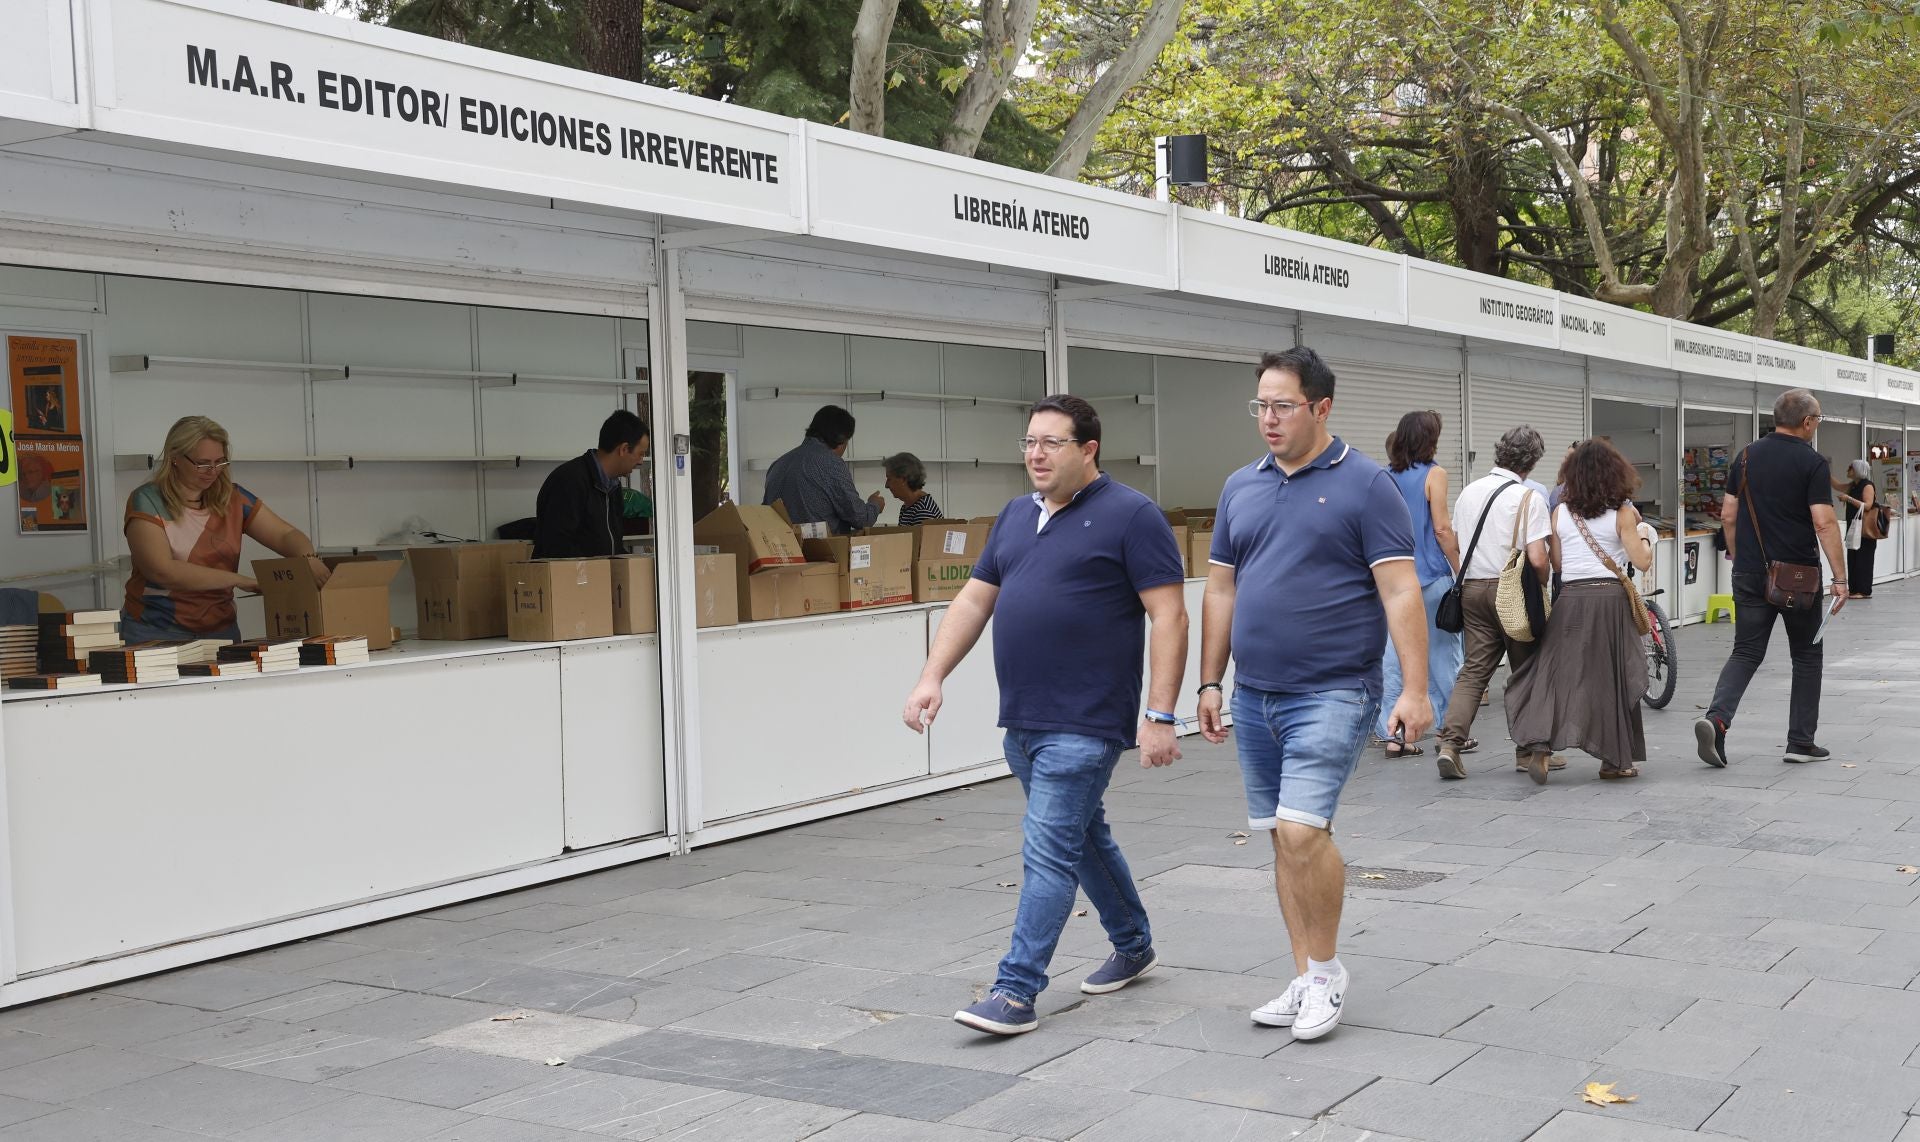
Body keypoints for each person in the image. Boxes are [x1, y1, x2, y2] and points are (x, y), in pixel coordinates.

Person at [902, 395, 1187, 1036]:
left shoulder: (1132, 516)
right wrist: (931, 676)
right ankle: (1133, 941)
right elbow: (974, 602)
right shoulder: (1013, 515)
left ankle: (1015, 989)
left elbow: (1170, 614)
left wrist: (1160, 714)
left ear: (1088, 450)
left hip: (1086, 721)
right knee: (1083, 838)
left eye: (1052, 442)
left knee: (1048, 850)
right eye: (1029, 441)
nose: (1035, 453)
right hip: (1023, 720)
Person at [1196, 347, 1431, 1043]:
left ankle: (1325, 974)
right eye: (1260, 405)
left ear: (1321, 407)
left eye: (1282, 406)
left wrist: (1415, 690)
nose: (1268, 419)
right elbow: (1220, 589)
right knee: (1280, 839)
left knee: (1302, 831)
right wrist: (1209, 680)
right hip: (1255, 694)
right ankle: (1305, 974)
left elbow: (1399, 588)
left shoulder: (1366, 485)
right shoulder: (1242, 486)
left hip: (1332, 690)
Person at [1697, 389, 1848, 768]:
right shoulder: (1812, 463)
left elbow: (1728, 515)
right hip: (1797, 577)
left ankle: (1717, 720)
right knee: (1807, 655)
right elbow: (1824, 522)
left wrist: (1738, 555)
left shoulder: (1745, 456)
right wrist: (1841, 579)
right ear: (1808, 422)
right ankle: (1800, 742)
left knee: (1745, 651)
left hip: (1749, 571)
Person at [1505, 439, 1654, 781]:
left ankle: (1540, 748)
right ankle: (1614, 761)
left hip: (1570, 600)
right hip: (1609, 602)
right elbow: (1641, 562)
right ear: (1615, 473)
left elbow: (1557, 563)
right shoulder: (1623, 514)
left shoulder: (1560, 512)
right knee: (1612, 678)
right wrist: (1645, 536)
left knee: (1555, 675)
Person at [123, 415, 328, 643]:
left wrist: (306, 557)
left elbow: (284, 534)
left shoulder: (234, 499)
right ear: (175, 458)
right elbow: (162, 570)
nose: (212, 471)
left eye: (220, 462)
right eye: (202, 463)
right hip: (156, 631)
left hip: (220, 630)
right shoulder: (146, 501)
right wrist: (239, 580)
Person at [1435, 426, 1558, 779]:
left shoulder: (1469, 493)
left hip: (1472, 590)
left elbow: (1457, 542)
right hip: (1513, 592)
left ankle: (1450, 745)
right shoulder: (1528, 498)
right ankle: (1530, 750)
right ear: (1532, 462)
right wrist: (1542, 585)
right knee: (1525, 671)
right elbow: (1537, 558)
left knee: (1474, 672)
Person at [1375, 411, 1462, 758]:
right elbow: (1441, 528)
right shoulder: (1434, 474)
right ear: (1431, 439)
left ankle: (1393, 735)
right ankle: (1449, 730)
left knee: (1393, 657)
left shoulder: (1382, 476)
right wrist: (1459, 568)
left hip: (1392, 581)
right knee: (1442, 653)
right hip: (1429, 578)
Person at [533, 410, 649, 559]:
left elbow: (612, 547)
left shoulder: (614, 487)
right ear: (624, 449)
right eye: (640, 453)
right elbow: (556, 546)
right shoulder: (569, 481)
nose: (640, 461)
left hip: (599, 578)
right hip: (571, 579)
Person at [763, 405, 885, 534]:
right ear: (842, 439)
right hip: (819, 551)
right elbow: (861, 518)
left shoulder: (778, 464)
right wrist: (874, 505)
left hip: (780, 550)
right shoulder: (831, 464)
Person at [1835, 460, 1878, 599]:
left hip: (1864, 530)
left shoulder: (1867, 486)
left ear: (1857, 470)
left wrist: (1848, 499)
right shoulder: (1853, 485)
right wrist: (1824, 472)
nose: (1848, 470)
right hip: (1854, 527)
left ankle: (1864, 590)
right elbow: (1838, 486)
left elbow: (1867, 505)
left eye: (1850, 468)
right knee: (1852, 557)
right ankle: (1854, 589)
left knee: (1863, 559)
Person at [884, 452, 945, 526]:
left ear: (903, 479)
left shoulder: (923, 511)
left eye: (889, 479)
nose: (886, 485)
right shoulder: (908, 506)